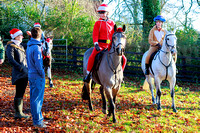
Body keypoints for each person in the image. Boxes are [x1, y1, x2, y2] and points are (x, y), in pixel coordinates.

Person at [83, 4, 127, 82]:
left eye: (103, 12)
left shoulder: (112, 22)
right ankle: (88, 73)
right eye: (100, 12)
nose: (102, 14)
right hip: (100, 45)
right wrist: (96, 44)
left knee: (124, 58)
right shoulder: (97, 23)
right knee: (92, 56)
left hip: (110, 45)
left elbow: (115, 33)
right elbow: (95, 34)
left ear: (107, 13)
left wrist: (120, 31)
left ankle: (121, 75)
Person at [6, 28, 30, 119]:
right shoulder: (10, 46)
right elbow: (11, 60)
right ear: (15, 36)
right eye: (20, 35)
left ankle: (20, 112)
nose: (22, 37)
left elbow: (29, 44)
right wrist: (20, 68)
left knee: (22, 92)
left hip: (25, 72)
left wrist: (30, 36)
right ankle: (18, 113)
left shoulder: (20, 45)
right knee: (19, 92)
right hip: (19, 73)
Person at [26, 27, 47, 128]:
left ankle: (38, 119)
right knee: (37, 99)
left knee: (34, 98)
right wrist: (43, 74)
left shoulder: (29, 46)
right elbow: (38, 64)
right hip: (37, 75)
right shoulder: (36, 48)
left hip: (31, 73)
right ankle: (37, 121)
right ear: (40, 35)